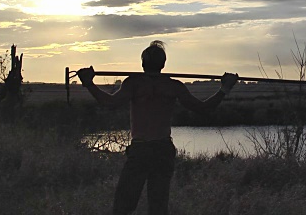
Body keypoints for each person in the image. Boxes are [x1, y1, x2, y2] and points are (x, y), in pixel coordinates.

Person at [77, 40, 238, 215]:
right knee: (157, 206)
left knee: (124, 206)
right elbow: (203, 108)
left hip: (143, 150)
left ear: (142, 63)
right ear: (163, 64)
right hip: (162, 149)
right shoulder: (173, 86)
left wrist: (89, 83)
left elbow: (109, 103)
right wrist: (224, 89)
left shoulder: (134, 83)